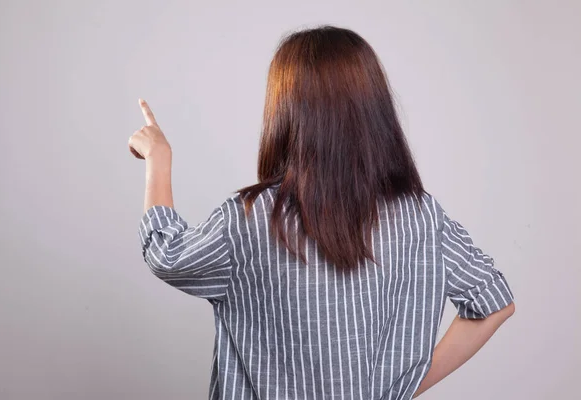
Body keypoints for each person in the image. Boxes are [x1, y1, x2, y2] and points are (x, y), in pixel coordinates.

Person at [128, 25, 515, 400]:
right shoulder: (421, 215)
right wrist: (405, 387)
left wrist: (158, 160)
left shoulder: (249, 219)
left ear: (286, 111)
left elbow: (166, 254)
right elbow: (495, 302)